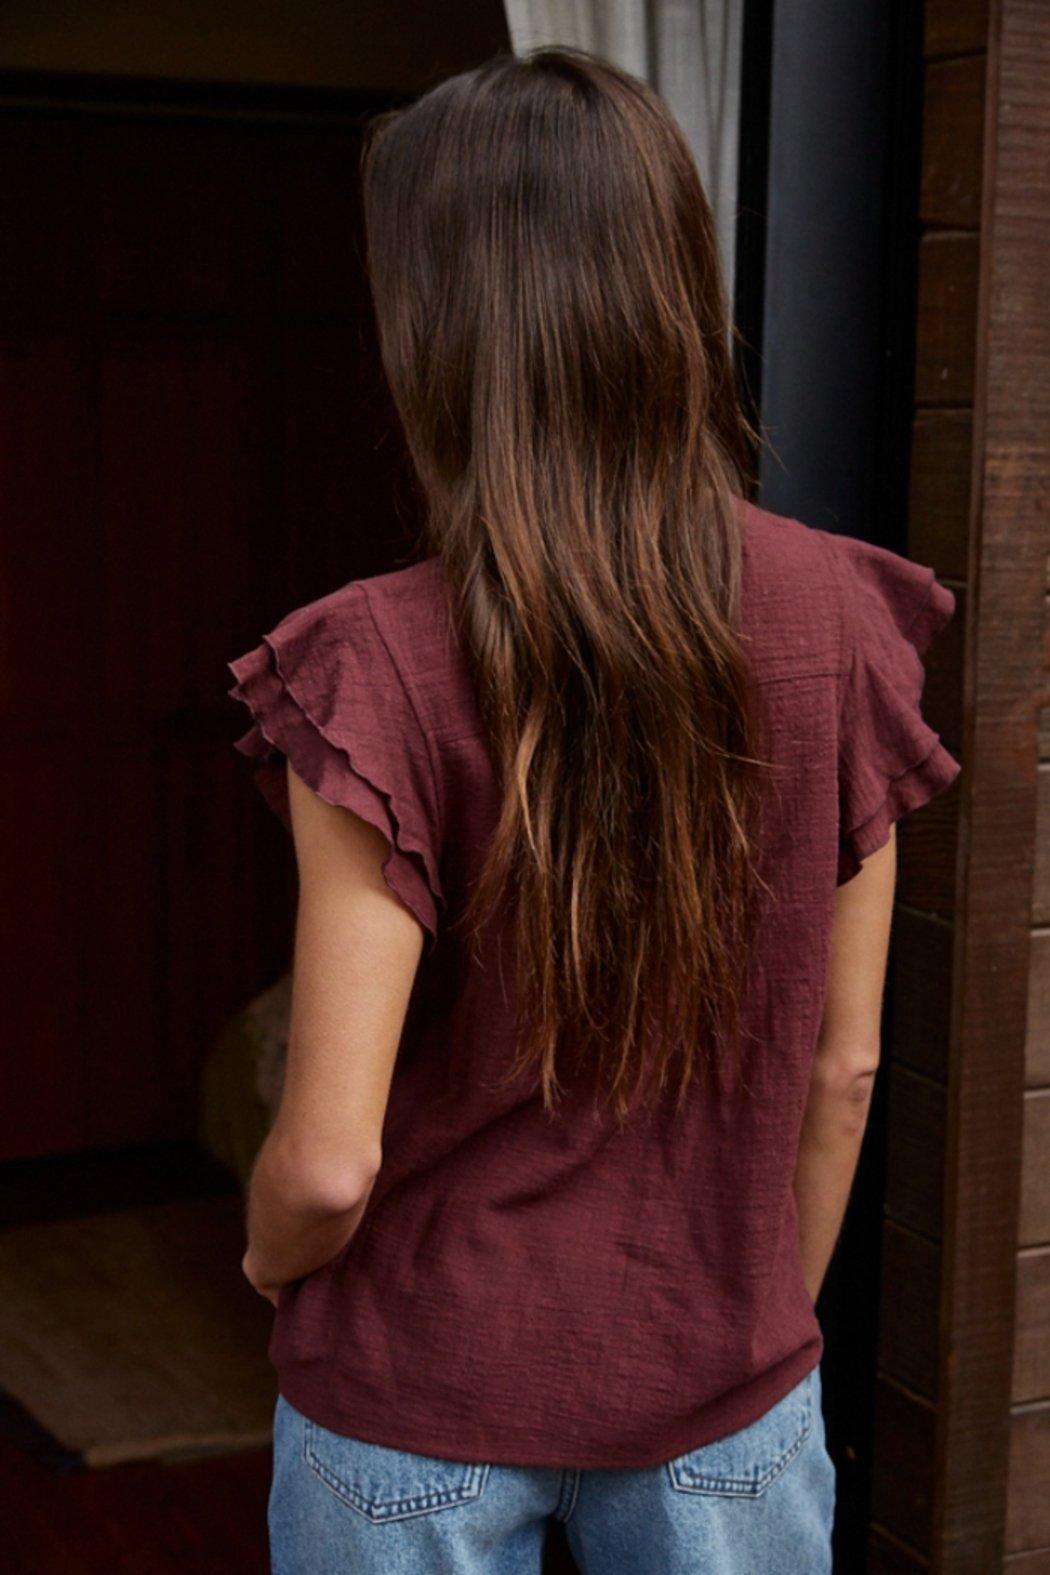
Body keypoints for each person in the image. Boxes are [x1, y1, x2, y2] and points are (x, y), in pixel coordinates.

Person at [225, 44, 961, 1575]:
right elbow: (841, 1068)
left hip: (410, 1394)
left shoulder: (374, 659)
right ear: (668, 283)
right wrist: (747, 1328)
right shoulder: (840, 619)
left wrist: (265, 1260)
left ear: (440, 319)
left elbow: (325, 1163)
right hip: (727, 1393)